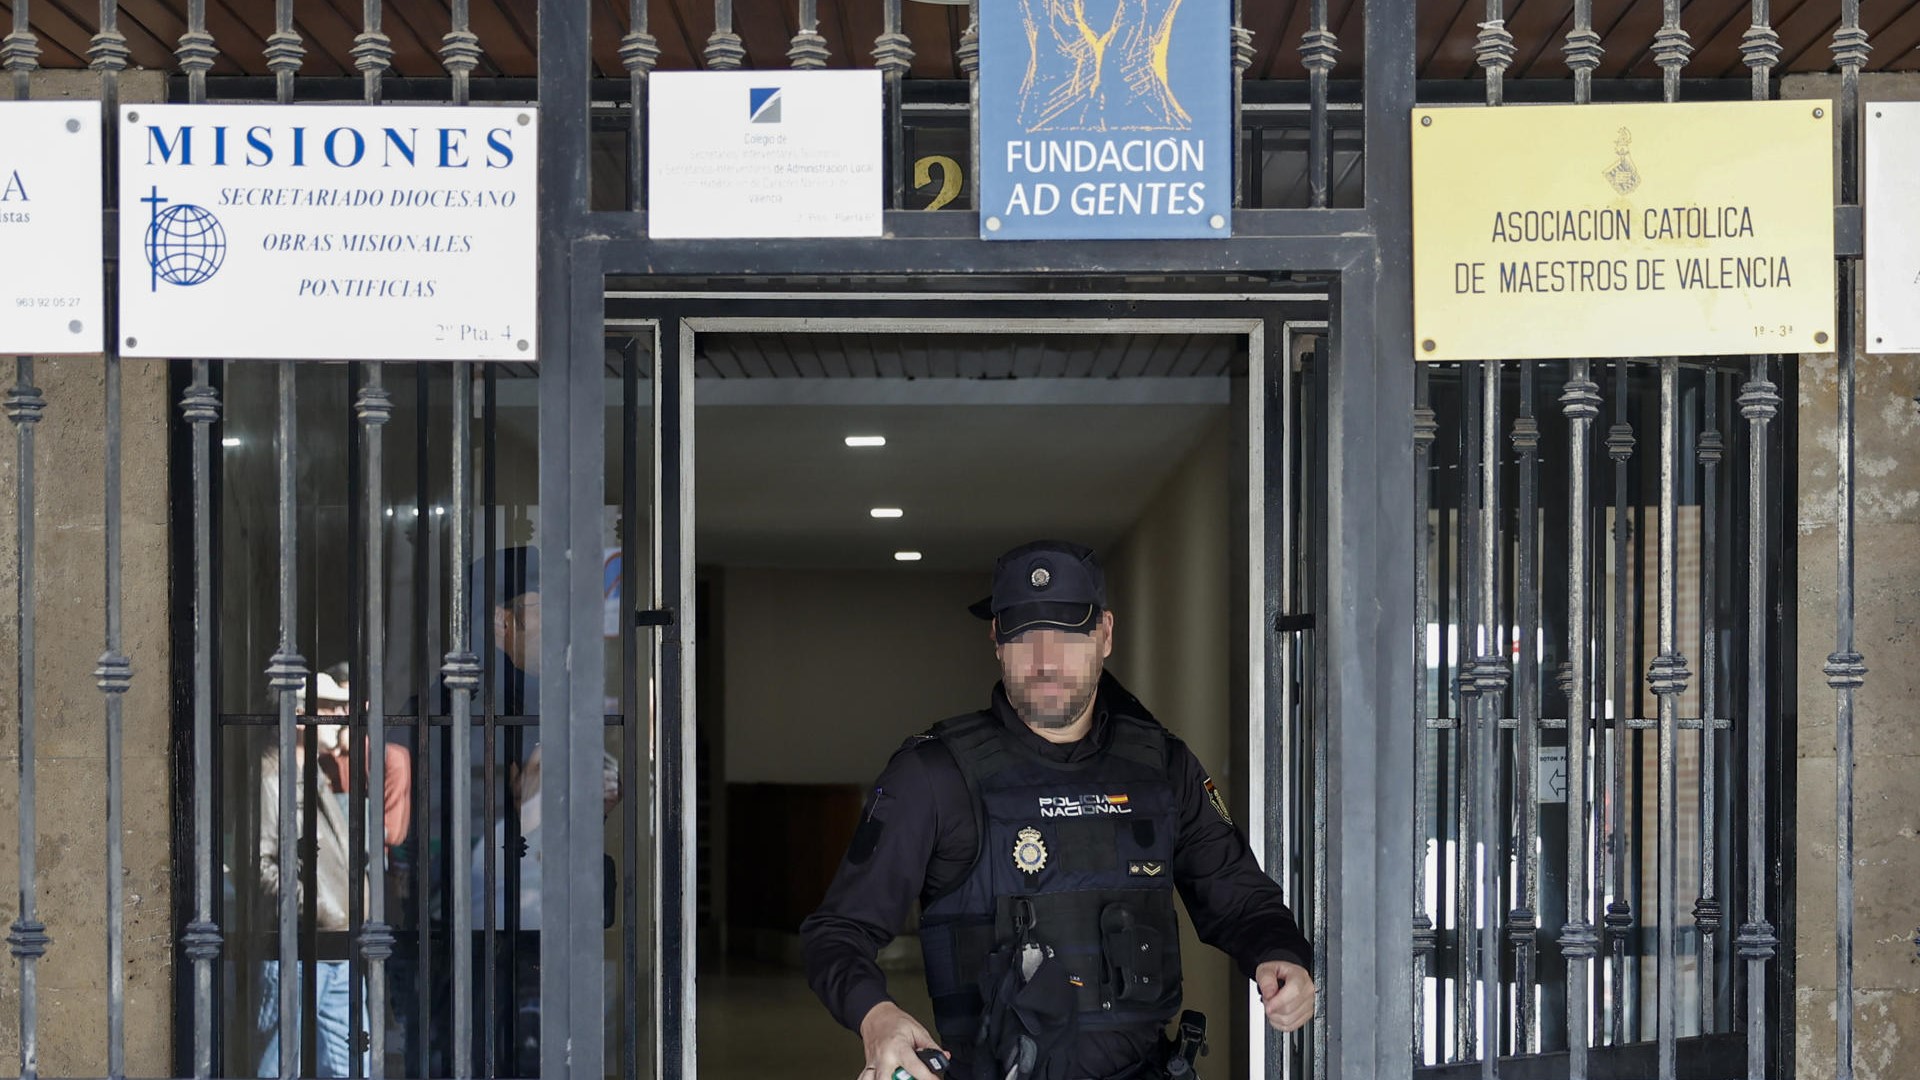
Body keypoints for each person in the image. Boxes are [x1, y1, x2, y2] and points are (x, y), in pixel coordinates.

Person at [801, 540, 1316, 1080]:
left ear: (1106, 636)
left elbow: (1240, 900)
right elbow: (836, 931)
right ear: (997, 641)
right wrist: (875, 1016)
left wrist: (1280, 954)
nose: (1046, 661)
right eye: (1024, 635)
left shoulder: (1163, 767)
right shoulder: (934, 775)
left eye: (1068, 633)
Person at [256, 665, 413, 1077]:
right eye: (331, 707)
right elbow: (260, 867)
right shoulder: (271, 777)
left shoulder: (314, 773)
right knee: (278, 1065)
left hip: (337, 945)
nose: (342, 715)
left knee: (353, 1066)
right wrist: (324, 913)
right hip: (302, 946)